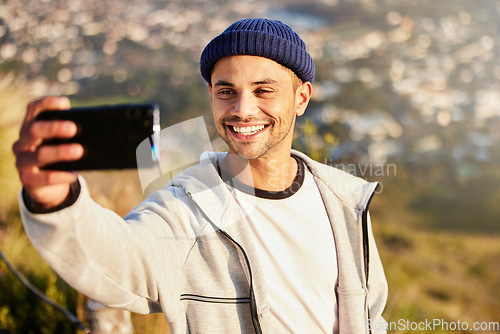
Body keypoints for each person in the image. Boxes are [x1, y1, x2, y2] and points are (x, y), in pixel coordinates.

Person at [13, 18, 388, 333]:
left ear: (301, 98)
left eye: (263, 91)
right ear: (211, 95)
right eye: (227, 92)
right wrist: (56, 201)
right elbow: (117, 259)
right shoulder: (184, 205)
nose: (242, 109)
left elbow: (372, 315)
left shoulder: (345, 200)